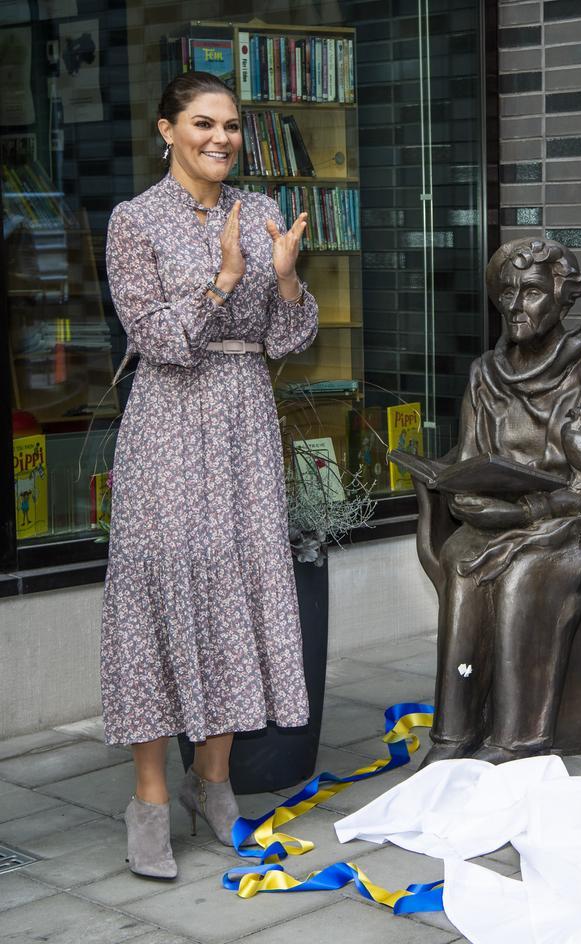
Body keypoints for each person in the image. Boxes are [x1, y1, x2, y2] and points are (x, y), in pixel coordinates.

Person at [101, 71, 318, 879]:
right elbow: (156, 339)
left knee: (237, 595)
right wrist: (224, 277)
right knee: (159, 595)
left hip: (244, 425)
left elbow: (289, 339)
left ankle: (214, 783)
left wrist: (287, 277)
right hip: (167, 426)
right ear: (167, 131)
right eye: (203, 124)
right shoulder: (134, 222)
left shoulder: (262, 213)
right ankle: (151, 799)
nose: (222, 138)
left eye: (230, 125)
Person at [419, 237, 581, 766]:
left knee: (525, 572)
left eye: (533, 292)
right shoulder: (484, 375)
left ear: (563, 300)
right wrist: (462, 493)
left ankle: (518, 740)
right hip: (501, 518)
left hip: (578, 523)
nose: (516, 305)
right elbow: (470, 459)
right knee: (463, 559)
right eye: (507, 292)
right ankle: (455, 733)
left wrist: (523, 515)